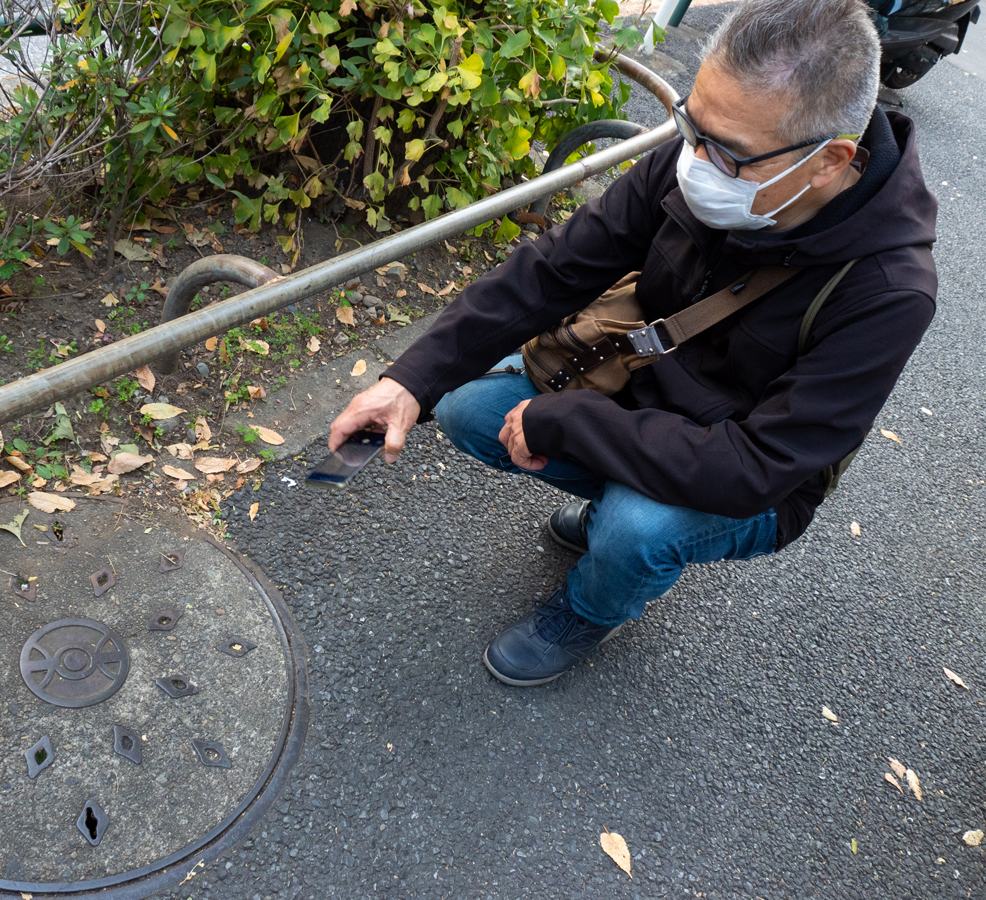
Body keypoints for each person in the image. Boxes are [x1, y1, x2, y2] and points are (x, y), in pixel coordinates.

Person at [328, 0, 938, 686]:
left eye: (727, 153)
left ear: (828, 161)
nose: (693, 160)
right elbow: (554, 269)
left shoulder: (889, 290)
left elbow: (758, 468)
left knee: (636, 530)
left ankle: (593, 606)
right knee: (470, 407)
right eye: (690, 125)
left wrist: (566, 421)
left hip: (745, 469)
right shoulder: (699, 156)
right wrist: (410, 380)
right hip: (639, 385)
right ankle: (614, 505)